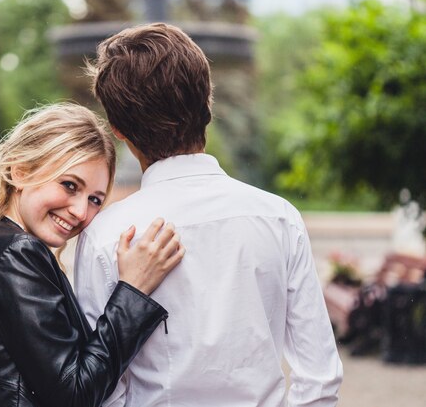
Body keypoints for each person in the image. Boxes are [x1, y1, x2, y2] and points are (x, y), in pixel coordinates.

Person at [75, 23, 343, 407]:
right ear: (208, 104)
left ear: (118, 130)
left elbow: (104, 390)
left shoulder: (107, 234)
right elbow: (319, 380)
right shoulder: (279, 218)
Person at [0, 103, 185, 407]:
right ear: (20, 171)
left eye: (94, 200)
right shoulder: (15, 254)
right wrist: (133, 292)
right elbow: (74, 394)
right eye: (69, 186)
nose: (80, 211)